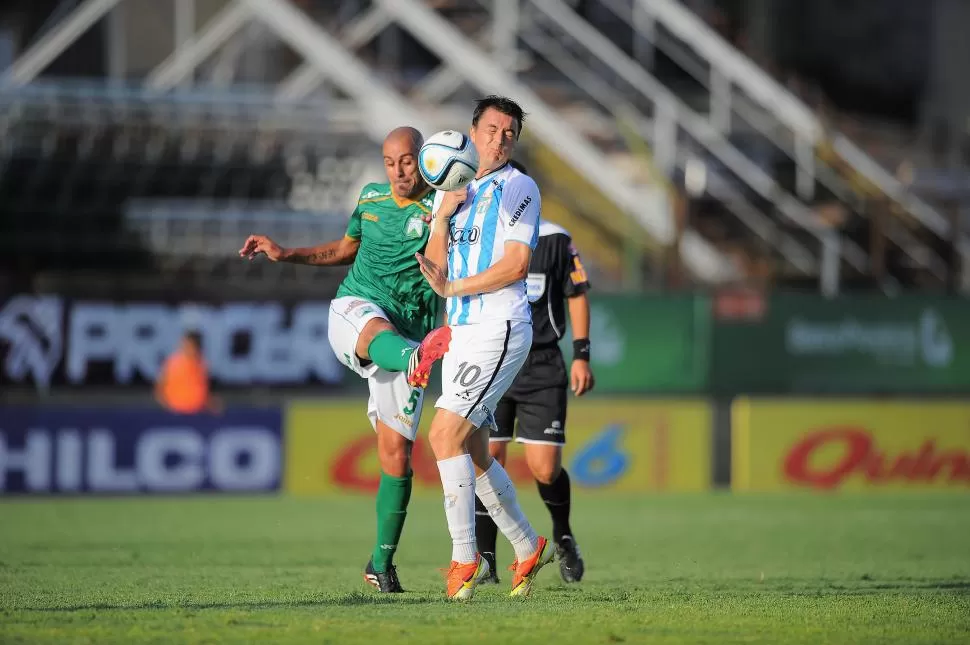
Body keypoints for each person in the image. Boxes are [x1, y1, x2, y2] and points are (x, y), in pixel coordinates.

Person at [238, 126, 451, 593]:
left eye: (408, 161)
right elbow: (343, 249)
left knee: (397, 458)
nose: (398, 171)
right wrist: (285, 252)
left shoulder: (440, 207)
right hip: (356, 311)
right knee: (376, 329)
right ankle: (412, 356)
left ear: (425, 160)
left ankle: (380, 564)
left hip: (408, 334)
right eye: (390, 162)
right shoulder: (371, 199)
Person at [414, 95, 553, 600]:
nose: (498, 140)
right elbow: (437, 274)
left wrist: (454, 291)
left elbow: (517, 266)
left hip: (500, 325)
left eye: (508, 134)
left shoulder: (519, 187)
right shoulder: (449, 189)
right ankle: (525, 544)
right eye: (491, 130)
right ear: (472, 132)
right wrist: (440, 217)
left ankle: (462, 560)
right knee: (471, 451)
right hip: (462, 333)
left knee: (443, 435)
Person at [475, 160, 594, 585]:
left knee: (544, 468)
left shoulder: (555, 238)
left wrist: (581, 354)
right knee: (486, 461)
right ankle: (485, 558)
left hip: (542, 364)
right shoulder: (479, 236)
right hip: (493, 357)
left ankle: (563, 535)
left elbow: (576, 293)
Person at [155, 330, 223, 415]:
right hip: (176, 413)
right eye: (186, 345)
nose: (188, 348)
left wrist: (211, 404)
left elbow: (203, 392)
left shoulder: (202, 364)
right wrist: (168, 409)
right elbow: (159, 390)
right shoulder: (172, 363)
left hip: (198, 413)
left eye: (192, 346)